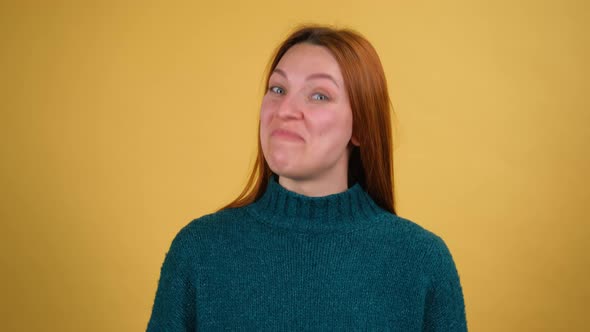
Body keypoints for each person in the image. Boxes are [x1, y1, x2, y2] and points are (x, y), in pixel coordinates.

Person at [147, 25, 467, 331]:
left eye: (318, 96)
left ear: (361, 128)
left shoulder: (422, 262)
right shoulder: (199, 251)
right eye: (278, 89)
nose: (285, 109)